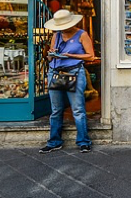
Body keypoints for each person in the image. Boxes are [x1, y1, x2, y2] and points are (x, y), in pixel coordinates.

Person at [40, 9, 95, 154]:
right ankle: (54, 141)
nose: (62, 29)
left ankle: (83, 141)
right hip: (56, 72)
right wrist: (51, 55)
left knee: (78, 109)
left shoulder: (82, 35)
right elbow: (50, 58)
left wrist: (71, 55)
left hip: (74, 72)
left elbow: (91, 56)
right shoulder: (56, 36)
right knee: (56, 110)